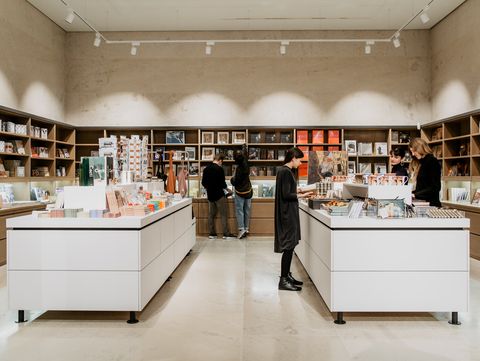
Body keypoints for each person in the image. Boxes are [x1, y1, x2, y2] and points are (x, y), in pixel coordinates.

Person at [274, 147, 312, 291]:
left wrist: (297, 191)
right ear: (293, 158)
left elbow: (287, 191)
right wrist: (302, 195)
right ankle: (283, 280)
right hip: (287, 215)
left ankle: (287, 275)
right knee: (289, 247)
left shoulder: (285, 171)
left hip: (287, 213)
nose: (301, 163)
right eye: (300, 159)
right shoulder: (285, 172)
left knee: (290, 246)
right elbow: (286, 194)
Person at [201, 153, 235, 239]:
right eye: (221, 162)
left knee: (211, 215)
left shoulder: (206, 169)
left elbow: (203, 183)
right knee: (223, 214)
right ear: (220, 160)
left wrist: (209, 188)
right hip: (219, 195)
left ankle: (212, 234)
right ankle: (226, 234)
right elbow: (222, 183)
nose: (221, 164)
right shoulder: (219, 169)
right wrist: (228, 190)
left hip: (210, 195)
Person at [409, 138, 441, 207]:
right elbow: (423, 186)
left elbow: (435, 187)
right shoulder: (422, 163)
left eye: (413, 151)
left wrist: (415, 194)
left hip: (431, 205)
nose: (413, 154)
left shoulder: (432, 162)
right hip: (423, 204)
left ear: (420, 148)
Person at [231, 150, 252, 239]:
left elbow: (235, 182)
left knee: (240, 211)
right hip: (249, 191)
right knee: (247, 210)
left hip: (240, 192)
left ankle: (241, 229)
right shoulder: (246, 164)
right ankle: (246, 228)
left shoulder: (239, 169)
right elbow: (245, 154)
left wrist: (231, 179)